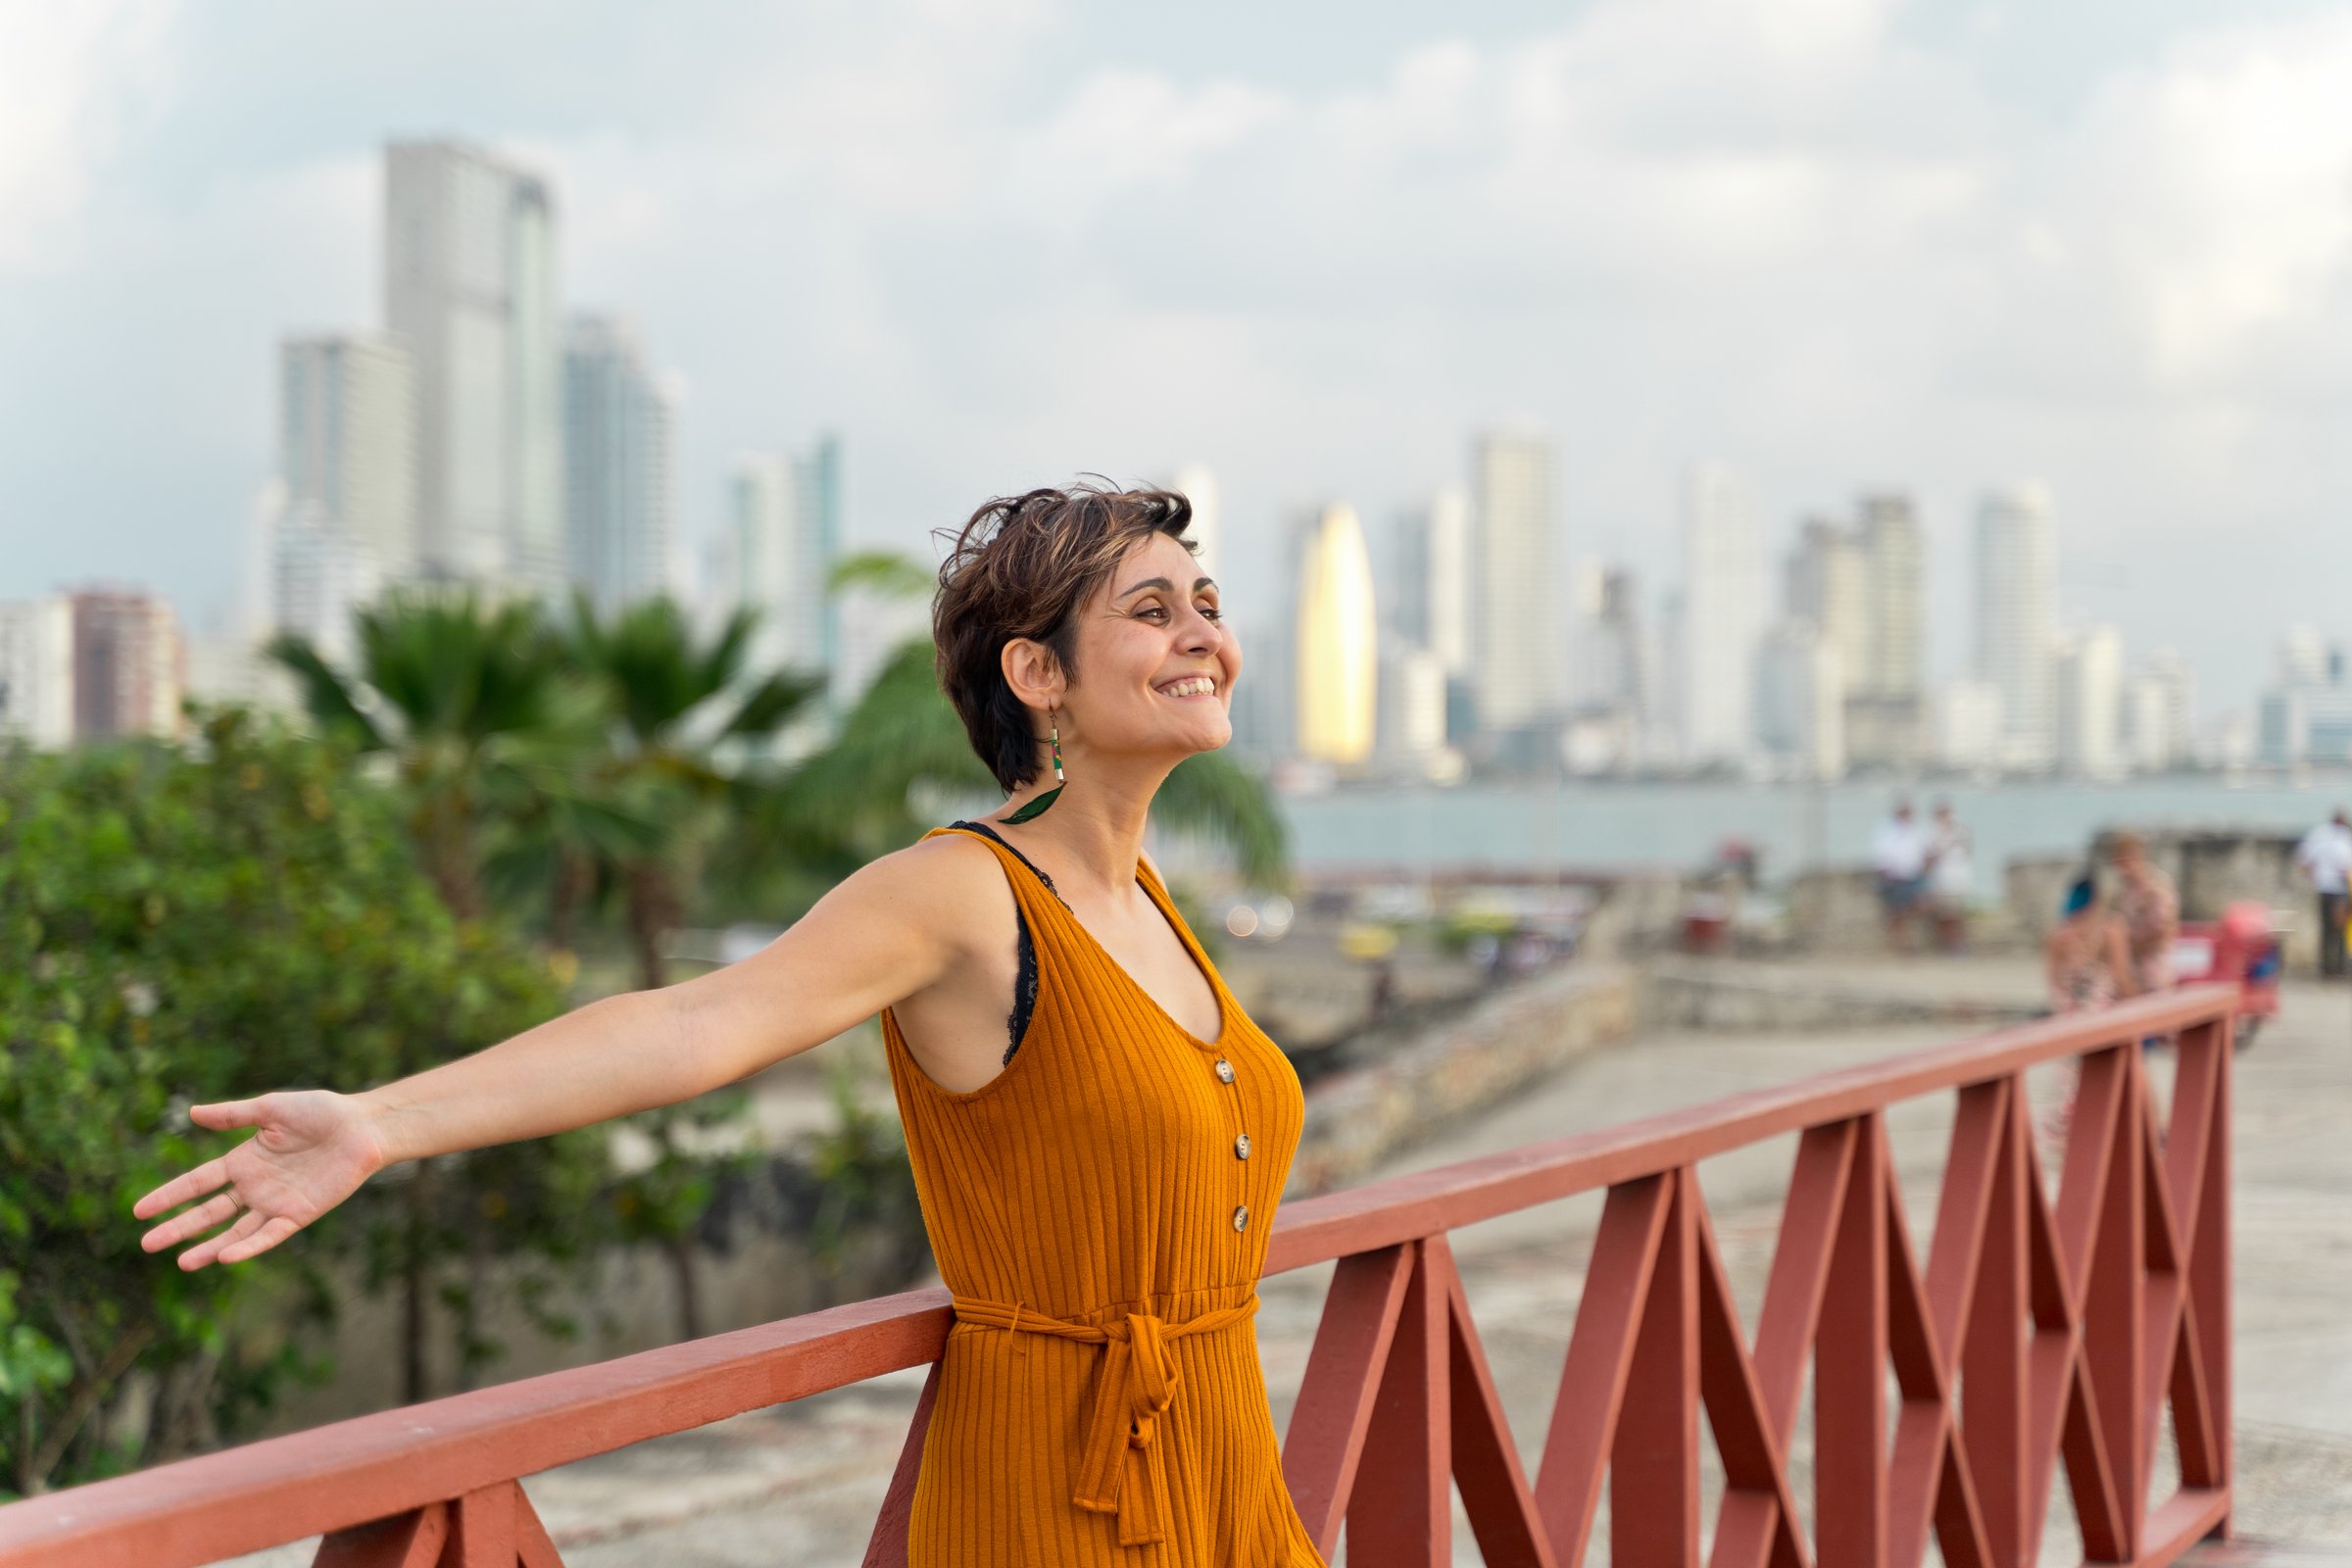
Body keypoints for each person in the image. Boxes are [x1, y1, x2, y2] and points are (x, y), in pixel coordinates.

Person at [131, 485, 1329, 1566]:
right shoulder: (964, 892)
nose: (1202, 636)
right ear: (1038, 673)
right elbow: (696, 1025)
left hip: (1228, 1468)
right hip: (1059, 1504)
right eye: (1153, 608)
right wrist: (377, 1123)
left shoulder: (1148, 899)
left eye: (1207, 605)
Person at [2108, 831, 2180, 998]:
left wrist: (2124, 941)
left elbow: (2164, 929)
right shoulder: (2122, 890)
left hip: (2154, 973)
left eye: (2124, 861)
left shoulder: (2156, 887)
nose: (2121, 868)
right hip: (2130, 973)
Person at [2294, 808, 2352, 978]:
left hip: (2323, 888)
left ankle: (2327, 968)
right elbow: (2346, 868)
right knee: (2340, 929)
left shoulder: (2318, 835)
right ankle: (2339, 968)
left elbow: (2304, 863)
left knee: (2326, 929)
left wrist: (2318, 878)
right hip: (2339, 890)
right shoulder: (2343, 837)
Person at [1871, 798, 1930, 952]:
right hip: (1895, 877)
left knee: (1915, 908)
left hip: (1913, 875)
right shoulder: (1887, 830)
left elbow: (1923, 852)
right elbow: (1882, 854)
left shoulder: (1917, 830)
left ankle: (1908, 941)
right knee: (1897, 911)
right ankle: (1902, 944)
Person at [1927, 800, 1973, 954]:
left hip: (1958, 877)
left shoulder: (1960, 830)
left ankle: (1959, 944)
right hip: (1942, 879)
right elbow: (1931, 856)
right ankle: (1949, 944)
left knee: (1958, 913)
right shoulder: (1932, 832)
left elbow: (1968, 849)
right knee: (1946, 914)